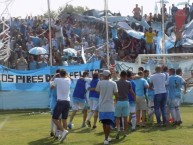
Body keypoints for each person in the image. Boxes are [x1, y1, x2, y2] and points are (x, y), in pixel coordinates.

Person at [95, 70, 118, 145]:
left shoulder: (100, 82)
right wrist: (116, 100)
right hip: (110, 106)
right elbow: (116, 93)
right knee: (108, 123)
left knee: (104, 123)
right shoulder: (113, 83)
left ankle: (106, 138)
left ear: (104, 75)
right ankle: (106, 138)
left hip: (102, 106)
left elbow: (97, 90)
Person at [50, 69, 71, 143]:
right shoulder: (68, 80)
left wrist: (54, 77)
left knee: (54, 118)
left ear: (60, 74)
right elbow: (68, 77)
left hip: (60, 101)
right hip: (67, 101)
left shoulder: (57, 80)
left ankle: (63, 131)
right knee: (64, 119)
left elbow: (51, 87)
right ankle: (63, 137)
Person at [114, 71, 136, 139]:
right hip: (126, 101)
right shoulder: (128, 83)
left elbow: (114, 92)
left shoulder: (116, 82)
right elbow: (132, 92)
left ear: (120, 75)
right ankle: (125, 132)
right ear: (125, 76)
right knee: (125, 118)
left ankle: (118, 130)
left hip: (118, 101)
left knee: (117, 117)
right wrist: (135, 99)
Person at [49, 69, 60, 137]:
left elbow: (50, 82)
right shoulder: (60, 82)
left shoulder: (53, 82)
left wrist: (53, 77)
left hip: (54, 101)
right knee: (57, 118)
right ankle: (55, 132)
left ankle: (52, 131)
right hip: (58, 101)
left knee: (54, 118)